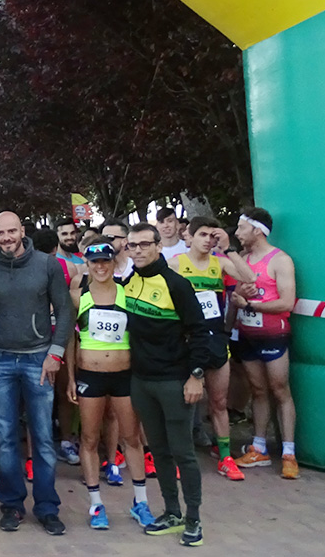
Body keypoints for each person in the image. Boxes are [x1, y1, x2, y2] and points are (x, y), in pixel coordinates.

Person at [0, 212, 68, 535]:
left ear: (22, 231)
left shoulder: (47, 264)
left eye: (12, 231)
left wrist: (56, 353)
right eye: (1, 233)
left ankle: (47, 507)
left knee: (42, 437)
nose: (7, 237)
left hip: (39, 358)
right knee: (6, 439)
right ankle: (11, 505)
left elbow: (65, 310)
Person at [123, 223, 216, 547]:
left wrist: (196, 376)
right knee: (159, 452)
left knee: (183, 453)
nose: (136, 250)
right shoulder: (130, 280)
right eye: (131, 245)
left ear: (158, 246)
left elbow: (200, 332)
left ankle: (194, 520)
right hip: (142, 381)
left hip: (174, 382)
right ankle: (172, 512)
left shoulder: (176, 284)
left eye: (143, 245)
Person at [65, 240, 152, 530]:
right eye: (94, 262)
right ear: (86, 266)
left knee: (131, 438)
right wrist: (71, 378)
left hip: (124, 375)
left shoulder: (127, 294)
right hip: (90, 375)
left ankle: (141, 502)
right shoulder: (78, 296)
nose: (100, 267)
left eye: (105, 261)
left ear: (114, 264)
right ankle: (95, 505)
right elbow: (70, 339)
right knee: (89, 439)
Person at [171, 216, 256, 482]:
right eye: (203, 235)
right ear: (191, 236)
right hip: (184, 341)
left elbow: (250, 276)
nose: (208, 240)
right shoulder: (175, 264)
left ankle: (225, 457)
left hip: (214, 338)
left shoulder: (219, 263)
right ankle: (178, 457)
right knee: (180, 404)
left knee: (219, 402)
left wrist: (227, 247)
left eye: (212, 236)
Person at [229, 208, 300, 479]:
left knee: (280, 390)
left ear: (257, 230)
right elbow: (238, 296)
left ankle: (289, 453)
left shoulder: (280, 260)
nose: (237, 233)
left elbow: (286, 302)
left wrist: (252, 304)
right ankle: (258, 447)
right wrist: (238, 298)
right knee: (257, 391)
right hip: (248, 335)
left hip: (274, 335)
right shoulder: (243, 260)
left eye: (241, 228)